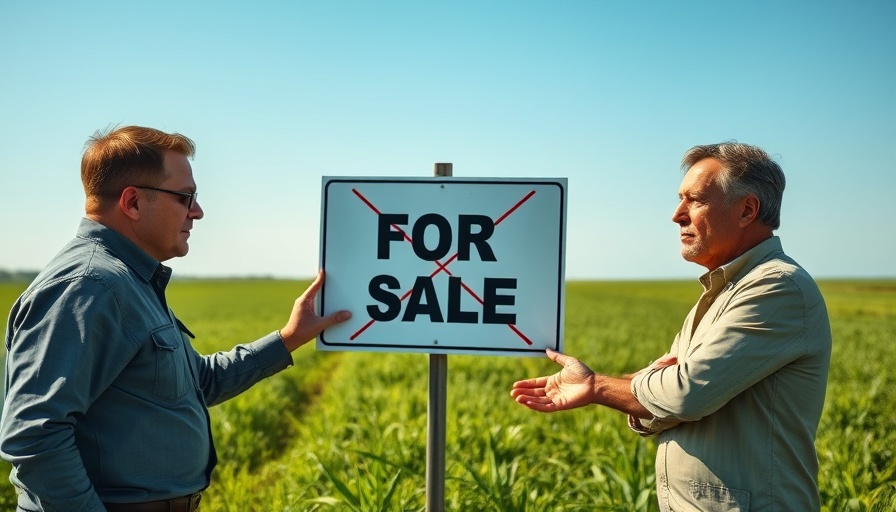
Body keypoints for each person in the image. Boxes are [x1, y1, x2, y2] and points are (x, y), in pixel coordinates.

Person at [0, 126, 351, 512]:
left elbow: (197, 382)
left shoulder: (128, 279)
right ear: (132, 203)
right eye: (186, 197)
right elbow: (33, 434)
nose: (197, 212)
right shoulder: (88, 286)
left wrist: (288, 338)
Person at [511, 142, 832, 511]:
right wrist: (657, 393)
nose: (677, 215)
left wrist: (598, 385)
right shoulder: (719, 290)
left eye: (694, 200)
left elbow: (684, 393)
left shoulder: (777, 287)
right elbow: (667, 401)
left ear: (747, 210)